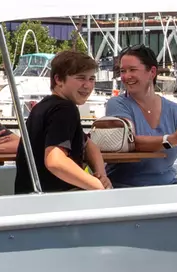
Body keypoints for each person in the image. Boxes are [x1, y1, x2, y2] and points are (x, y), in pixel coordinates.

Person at [16, 48, 109, 193]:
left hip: (28, 196)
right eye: (80, 78)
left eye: (91, 79)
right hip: (54, 201)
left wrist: (100, 174)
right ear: (58, 79)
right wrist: (98, 186)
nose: (87, 85)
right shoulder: (65, 109)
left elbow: (88, 144)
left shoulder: (42, 107)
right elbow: (55, 161)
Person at [104, 44, 177, 188]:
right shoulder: (117, 104)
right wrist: (171, 140)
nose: (126, 76)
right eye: (122, 71)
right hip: (124, 189)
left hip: (168, 187)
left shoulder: (176, 110)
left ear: (152, 72)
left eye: (132, 70)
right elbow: (128, 142)